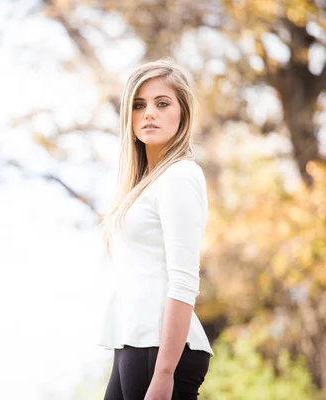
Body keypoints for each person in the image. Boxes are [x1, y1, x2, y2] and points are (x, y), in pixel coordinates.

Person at [97, 58, 214, 400]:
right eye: (139, 105)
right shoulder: (148, 184)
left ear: (182, 114)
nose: (149, 113)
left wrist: (164, 373)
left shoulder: (180, 176)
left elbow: (184, 280)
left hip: (159, 349)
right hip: (134, 342)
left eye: (162, 104)